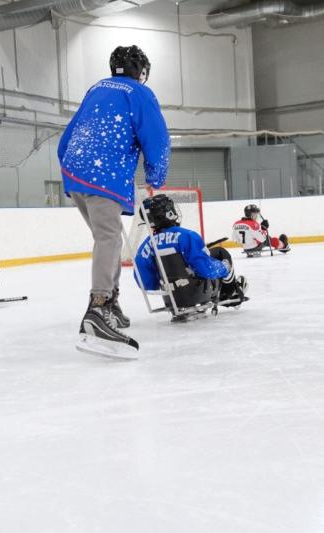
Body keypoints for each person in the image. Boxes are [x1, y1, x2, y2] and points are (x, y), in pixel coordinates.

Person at [57, 45, 170, 351]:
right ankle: (99, 306)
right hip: (103, 175)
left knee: (107, 238)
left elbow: (68, 136)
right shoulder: (139, 92)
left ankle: (111, 302)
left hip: (75, 172)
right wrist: (155, 176)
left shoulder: (96, 89)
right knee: (109, 239)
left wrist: (69, 168)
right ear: (142, 72)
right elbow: (156, 136)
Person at [134, 194, 247, 316]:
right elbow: (206, 269)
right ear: (167, 214)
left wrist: (165, 283)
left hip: (171, 296)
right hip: (195, 292)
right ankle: (230, 292)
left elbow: (144, 281)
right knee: (220, 252)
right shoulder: (188, 236)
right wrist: (224, 267)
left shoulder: (146, 245)